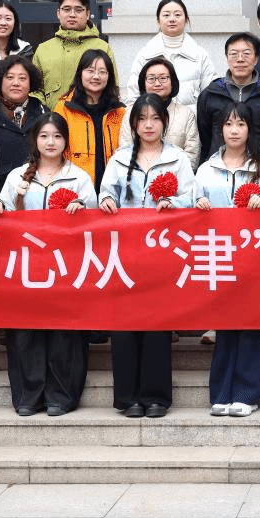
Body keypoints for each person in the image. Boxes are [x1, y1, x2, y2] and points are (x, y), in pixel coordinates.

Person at [0, 112, 96, 416]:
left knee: (64, 334)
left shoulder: (80, 177)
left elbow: (94, 218)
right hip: (27, 267)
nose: (51, 142)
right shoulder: (17, 176)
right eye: (45, 136)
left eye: (58, 136)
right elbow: (4, 213)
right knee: (26, 332)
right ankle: (28, 395)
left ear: (66, 141)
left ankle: (61, 395)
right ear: (35, 140)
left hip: (66, 268)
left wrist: (81, 207)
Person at [98, 94, 199, 418]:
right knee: (124, 325)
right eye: (142, 119)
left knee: (157, 326)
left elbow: (192, 197)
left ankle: (156, 397)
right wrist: (106, 201)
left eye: (155, 118)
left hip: (161, 254)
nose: (149, 125)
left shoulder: (177, 159)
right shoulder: (120, 159)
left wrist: (174, 203)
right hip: (126, 254)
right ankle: (128, 398)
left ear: (164, 123)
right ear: (134, 125)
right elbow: (106, 193)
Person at [195, 102, 260, 414]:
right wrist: (199, 203)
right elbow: (192, 204)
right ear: (221, 130)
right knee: (223, 324)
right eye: (229, 124)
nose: (234, 130)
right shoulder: (206, 169)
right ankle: (220, 394)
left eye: (241, 124)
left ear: (250, 129)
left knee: (250, 324)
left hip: (253, 257)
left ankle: (247, 395)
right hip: (219, 255)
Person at [197, 32, 260, 165]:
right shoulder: (210, 93)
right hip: (219, 166)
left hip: (259, 167)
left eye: (246, 54)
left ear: (256, 59)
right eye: (234, 54)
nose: (240, 59)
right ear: (227, 58)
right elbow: (205, 137)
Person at [0, 55, 50, 188]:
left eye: (22, 78)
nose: (16, 83)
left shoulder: (43, 113)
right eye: (10, 77)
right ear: (0, 81)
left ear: (31, 82)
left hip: (37, 190)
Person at [123, 0, 218, 106]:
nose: (172, 19)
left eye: (177, 15)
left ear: (186, 20)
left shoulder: (200, 55)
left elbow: (211, 95)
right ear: (158, 21)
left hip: (191, 116)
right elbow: (133, 96)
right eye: (166, 15)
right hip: (153, 116)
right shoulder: (145, 55)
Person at [33, 0, 117, 109]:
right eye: (67, 9)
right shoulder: (44, 49)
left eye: (78, 10)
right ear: (58, 13)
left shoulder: (102, 47)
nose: (72, 14)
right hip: (51, 119)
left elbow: (112, 88)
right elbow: (35, 91)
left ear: (87, 14)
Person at [53, 49, 125, 189]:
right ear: (80, 73)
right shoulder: (63, 108)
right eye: (90, 71)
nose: (96, 76)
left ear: (109, 76)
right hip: (74, 188)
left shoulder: (119, 111)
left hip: (113, 190)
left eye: (102, 72)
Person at [118, 56, 201, 169]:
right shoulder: (131, 113)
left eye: (163, 78)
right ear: (143, 83)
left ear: (172, 82)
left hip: (176, 177)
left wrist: (168, 178)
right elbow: (125, 151)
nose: (157, 83)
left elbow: (192, 155)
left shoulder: (186, 114)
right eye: (151, 78)